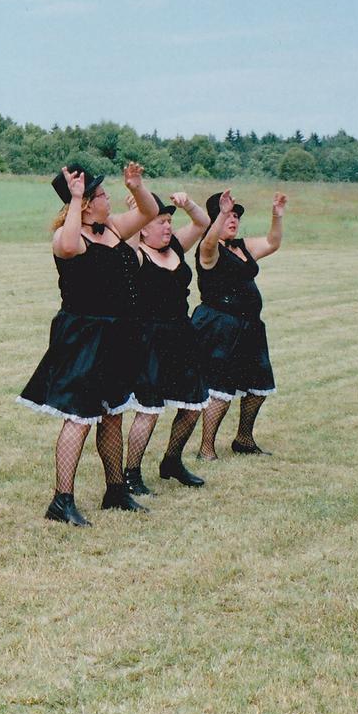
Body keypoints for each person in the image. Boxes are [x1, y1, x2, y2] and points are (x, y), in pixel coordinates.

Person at [17, 163, 159, 526]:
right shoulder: (70, 236)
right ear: (84, 205)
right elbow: (66, 246)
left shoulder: (113, 227)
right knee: (79, 416)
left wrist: (137, 185)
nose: (108, 198)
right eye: (101, 195)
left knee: (112, 413)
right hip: (83, 335)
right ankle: (61, 500)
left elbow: (149, 211)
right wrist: (76, 196)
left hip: (118, 333)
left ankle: (115, 490)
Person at [163, 189, 287, 464]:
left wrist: (276, 217)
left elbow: (272, 242)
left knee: (258, 383)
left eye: (235, 216)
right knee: (220, 387)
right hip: (219, 325)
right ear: (213, 219)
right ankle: (207, 449)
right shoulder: (208, 251)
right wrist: (216, 218)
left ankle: (244, 438)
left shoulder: (241, 246)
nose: (233, 220)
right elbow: (207, 244)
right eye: (226, 215)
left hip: (250, 326)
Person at [121, 191, 211, 494]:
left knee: (193, 404)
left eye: (170, 221)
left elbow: (202, 223)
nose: (168, 227)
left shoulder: (175, 247)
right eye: (161, 221)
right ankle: (131, 473)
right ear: (144, 226)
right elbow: (126, 240)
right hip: (149, 339)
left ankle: (172, 461)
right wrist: (136, 210)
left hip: (182, 333)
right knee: (149, 409)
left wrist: (188, 205)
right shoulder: (137, 253)